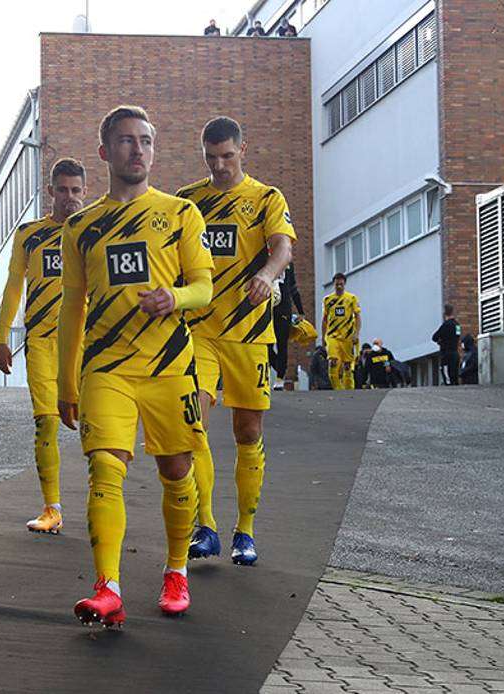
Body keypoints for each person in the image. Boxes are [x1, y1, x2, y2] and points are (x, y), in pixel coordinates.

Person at [58, 105, 213, 627]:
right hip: (107, 368)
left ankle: (176, 571)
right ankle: (107, 588)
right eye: (126, 141)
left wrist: (177, 297)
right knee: (104, 467)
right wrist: (65, 381)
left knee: (176, 471)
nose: (137, 150)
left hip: (170, 366)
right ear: (105, 151)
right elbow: (72, 307)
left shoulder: (180, 213)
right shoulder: (80, 225)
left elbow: (204, 286)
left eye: (145, 140)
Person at [175, 116, 296, 567]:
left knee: (248, 431)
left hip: (248, 330)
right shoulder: (188, 201)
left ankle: (244, 529)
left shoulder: (266, 198)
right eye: (211, 157)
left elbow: (282, 246)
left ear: (243, 150)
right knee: (192, 425)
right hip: (199, 329)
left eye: (227, 156)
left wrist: (267, 275)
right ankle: (204, 525)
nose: (219, 165)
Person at [0, 158, 86, 535]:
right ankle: (52, 509)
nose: (69, 198)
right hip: (42, 342)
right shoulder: (29, 234)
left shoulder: (93, 230)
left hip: (88, 341)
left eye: (76, 190)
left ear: (85, 191)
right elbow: (14, 285)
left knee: (96, 427)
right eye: (62, 190)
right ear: (50, 192)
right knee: (46, 424)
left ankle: (103, 504)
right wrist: (2, 337)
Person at [321, 272, 360, 390]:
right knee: (333, 361)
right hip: (332, 336)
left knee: (347, 365)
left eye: (341, 284)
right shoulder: (328, 300)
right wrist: (323, 337)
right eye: (337, 284)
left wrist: (356, 333)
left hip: (347, 337)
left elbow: (358, 317)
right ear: (334, 284)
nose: (339, 286)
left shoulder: (351, 298)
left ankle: (349, 390)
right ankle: (337, 389)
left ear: (345, 284)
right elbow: (324, 319)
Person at [270, 262, 305, 389]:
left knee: (282, 343)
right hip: (267, 308)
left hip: (284, 308)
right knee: (266, 346)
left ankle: (280, 378)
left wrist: (300, 310)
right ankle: (279, 368)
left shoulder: (288, 263)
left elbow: (293, 288)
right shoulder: (262, 256)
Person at [432, 302, 462, 385]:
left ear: (445, 314)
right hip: (455, 353)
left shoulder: (445, 325)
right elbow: (458, 336)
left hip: (446, 354)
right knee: (454, 376)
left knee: (447, 376)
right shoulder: (457, 325)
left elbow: (434, 337)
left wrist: (441, 342)